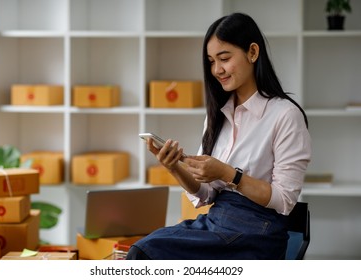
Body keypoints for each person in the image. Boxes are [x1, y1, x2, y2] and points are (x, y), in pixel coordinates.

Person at [126, 12, 311, 260]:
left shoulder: (286, 115)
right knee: (144, 248)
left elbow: (285, 199)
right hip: (217, 222)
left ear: (253, 53)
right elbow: (206, 194)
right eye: (211, 61)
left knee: (148, 253)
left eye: (224, 59)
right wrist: (174, 167)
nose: (217, 70)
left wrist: (228, 174)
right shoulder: (218, 114)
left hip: (257, 235)